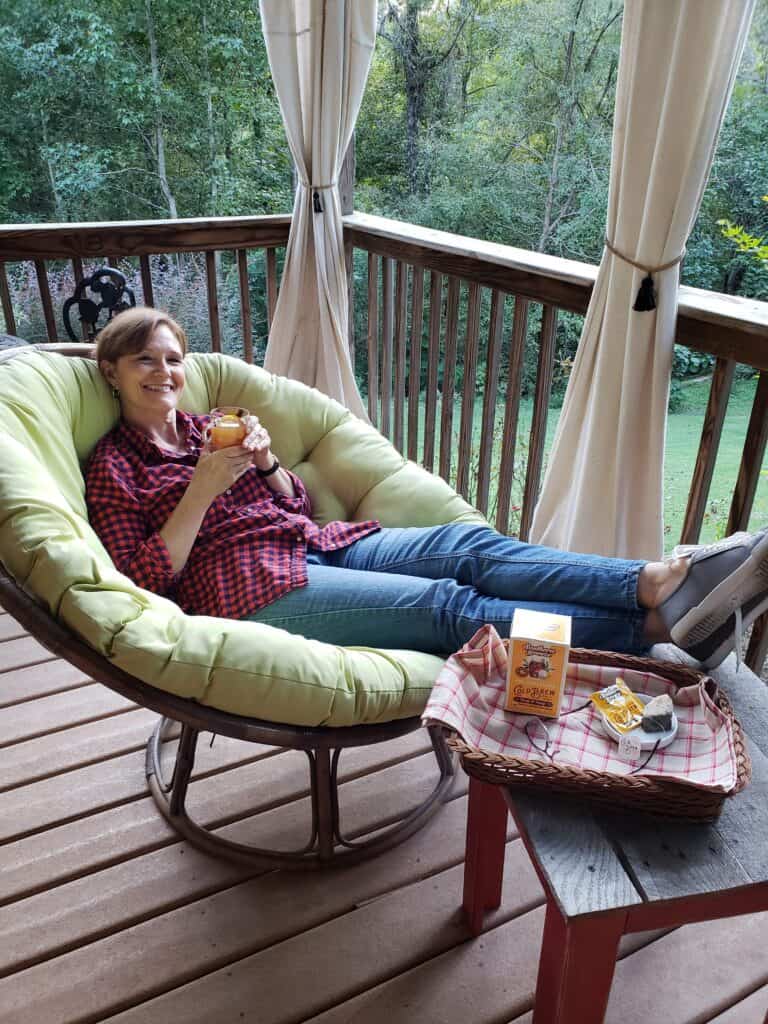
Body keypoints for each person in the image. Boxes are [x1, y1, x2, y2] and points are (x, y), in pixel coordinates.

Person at [85, 306, 768, 671]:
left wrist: (265, 466)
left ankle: (653, 582)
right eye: (144, 358)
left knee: (465, 547)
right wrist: (202, 490)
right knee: (447, 605)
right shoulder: (113, 467)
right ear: (112, 371)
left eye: (173, 358)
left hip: (315, 543)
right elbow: (144, 577)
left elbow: (294, 504)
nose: (164, 371)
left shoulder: (214, 428)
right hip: (247, 592)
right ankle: (646, 629)